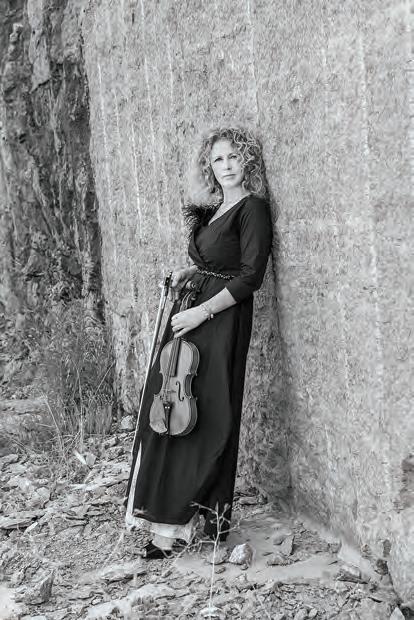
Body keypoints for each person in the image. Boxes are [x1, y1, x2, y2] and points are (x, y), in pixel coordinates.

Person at [125, 126, 273, 559]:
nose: (226, 166)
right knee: (171, 412)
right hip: (192, 314)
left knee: (204, 418)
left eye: (233, 157)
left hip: (219, 321)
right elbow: (216, 262)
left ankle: (184, 522)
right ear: (209, 167)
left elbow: (250, 277)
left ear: (247, 160)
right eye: (218, 160)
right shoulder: (215, 210)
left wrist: (201, 312)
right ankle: (170, 518)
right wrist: (190, 273)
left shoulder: (252, 208)